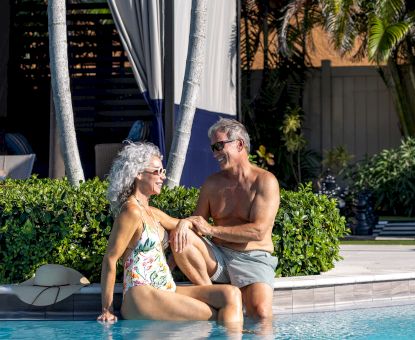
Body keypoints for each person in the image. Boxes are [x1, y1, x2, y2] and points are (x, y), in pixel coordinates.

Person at [97, 141, 242, 327]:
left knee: (231, 295)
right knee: (210, 314)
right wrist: (106, 309)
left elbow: (188, 224)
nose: (162, 177)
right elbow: (110, 258)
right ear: (138, 174)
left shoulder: (154, 213)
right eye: (157, 172)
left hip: (165, 289)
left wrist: (184, 224)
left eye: (162, 172)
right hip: (141, 293)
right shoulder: (131, 212)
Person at [171, 118, 280, 320]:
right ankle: (213, 296)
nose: (215, 154)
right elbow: (197, 225)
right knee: (183, 235)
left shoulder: (264, 181)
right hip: (217, 257)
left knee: (261, 314)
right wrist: (185, 224)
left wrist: (211, 230)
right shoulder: (212, 184)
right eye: (213, 148)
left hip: (252, 257)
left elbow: (258, 232)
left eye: (219, 146)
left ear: (239, 144)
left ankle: (221, 304)